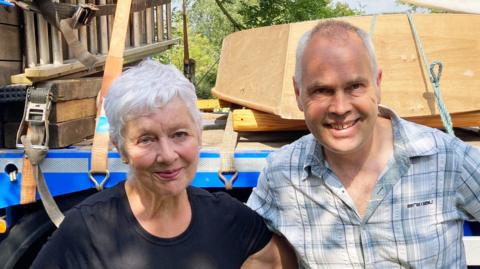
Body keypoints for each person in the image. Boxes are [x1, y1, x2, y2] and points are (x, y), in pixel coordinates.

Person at [247, 20, 480, 268]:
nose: (340, 107)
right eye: (322, 91)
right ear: (298, 93)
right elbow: (244, 248)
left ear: (378, 83)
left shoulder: (447, 159)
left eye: (355, 86)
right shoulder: (281, 174)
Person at [32, 59, 297, 269]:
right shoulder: (87, 231)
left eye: (179, 134)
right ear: (120, 146)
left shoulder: (229, 218)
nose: (168, 155)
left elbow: (279, 259)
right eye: (146, 139)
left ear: (199, 135)